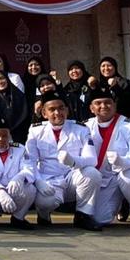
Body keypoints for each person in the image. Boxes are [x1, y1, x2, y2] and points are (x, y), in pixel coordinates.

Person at [25, 93, 102, 230]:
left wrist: (73, 161)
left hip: (72, 176)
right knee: (45, 202)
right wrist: (39, 182)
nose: (57, 113)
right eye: (52, 109)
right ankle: (43, 215)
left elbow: (92, 159)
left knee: (92, 173)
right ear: (44, 113)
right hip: (48, 178)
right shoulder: (35, 131)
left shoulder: (81, 129)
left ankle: (83, 215)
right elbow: (29, 162)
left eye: (61, 108)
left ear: (67, 110)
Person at [76, 88, 130, 230]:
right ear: (91, 108)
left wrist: (121, 161)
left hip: (126, 172)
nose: (103, 106)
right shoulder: (85, 126)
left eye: (108, 102)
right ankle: (122, 202)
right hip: (105, 179)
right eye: (98, 103)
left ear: (115, 105)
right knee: (99, 218)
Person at [0, 71, 30, 144]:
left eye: (2, 78)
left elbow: (25, 116)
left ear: (7, 80)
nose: (0, 82)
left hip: (20, 137)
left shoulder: (18, 95)